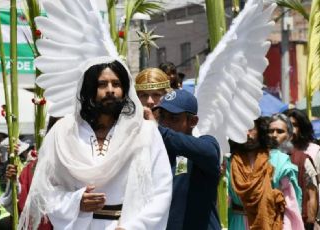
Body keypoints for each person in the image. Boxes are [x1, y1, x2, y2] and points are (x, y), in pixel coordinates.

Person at [19, 60, 172, 229]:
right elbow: (46, 189)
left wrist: (135, 227)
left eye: (116, 84)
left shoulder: (145, 132)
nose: (110, 90)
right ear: (90, 89)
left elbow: (161, 190)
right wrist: (76, 201)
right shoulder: (64, 132)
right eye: (102, 84)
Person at [144, 89, 221, 230]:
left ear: (193, 121)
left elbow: (208, 152)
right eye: (162, 117)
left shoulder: (205, 146)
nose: (165, 123)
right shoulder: (156, 151)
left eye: (174, 118)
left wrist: (156, 129)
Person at [228, 117, 304, 229]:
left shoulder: (279, 161)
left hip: (271, 223)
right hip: (237, 224)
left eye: (251, 128)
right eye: (242, 129)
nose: (248, 134)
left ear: (260, 129)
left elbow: (290, 205)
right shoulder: (229, 162)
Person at [269, 113, 318, 229]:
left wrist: (310, 222)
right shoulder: (261, 158)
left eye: (280, 131)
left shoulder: (302, 159)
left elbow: (312, 194)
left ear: (289, 135)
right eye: (271, 131)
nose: (274, 135)